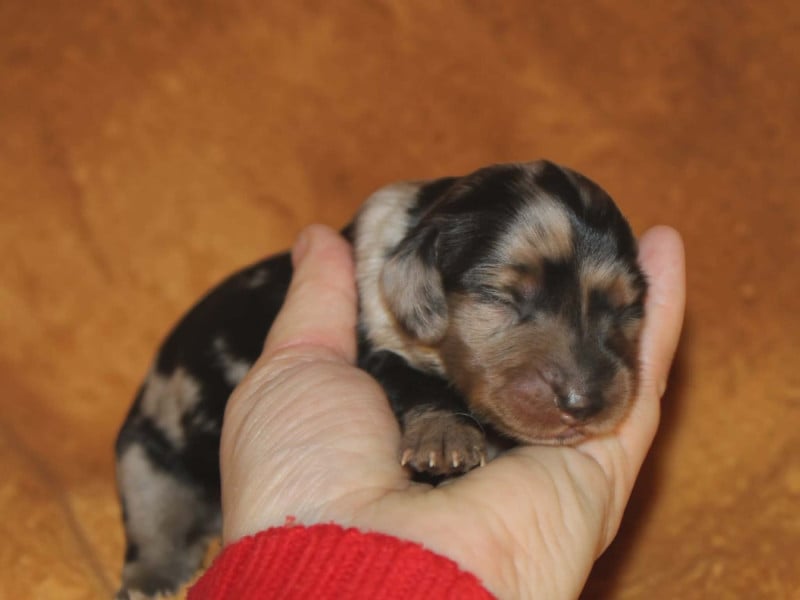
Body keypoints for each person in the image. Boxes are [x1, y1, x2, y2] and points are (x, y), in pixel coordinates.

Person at [189, 223, 686, 599]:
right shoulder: (389, 316)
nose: (579, 391)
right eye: (508, 300)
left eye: (618, 313)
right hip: (188, 442)